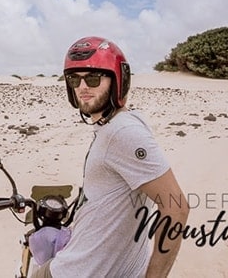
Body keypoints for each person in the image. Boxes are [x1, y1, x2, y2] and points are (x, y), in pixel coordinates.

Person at [32, 36, 188, 278]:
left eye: (93, 78)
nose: (83, 87)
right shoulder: (115, 125)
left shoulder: (122, 132)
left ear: (117, 81)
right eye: (75, 79)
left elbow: (176, 206)